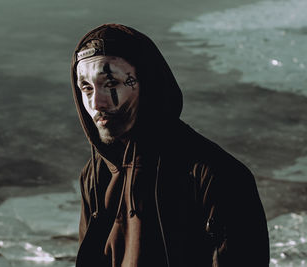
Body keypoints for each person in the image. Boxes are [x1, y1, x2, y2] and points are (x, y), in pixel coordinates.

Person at [70, 24, 269, 267]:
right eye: (86, 88)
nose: (96, 103)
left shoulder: (218, 176)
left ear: (147, 83)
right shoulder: (94, 175)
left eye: (111, 84)